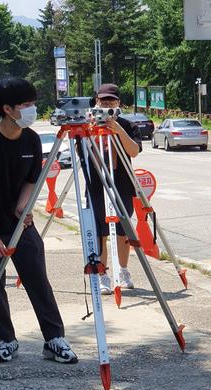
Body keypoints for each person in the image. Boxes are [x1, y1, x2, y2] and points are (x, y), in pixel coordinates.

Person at [0, 77, 78, 364]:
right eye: (25, 105)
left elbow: (30, 180)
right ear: (7, 109)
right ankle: (6, 340)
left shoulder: (31, 138)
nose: (32, 110)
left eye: (32, 104)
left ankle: (54, 338)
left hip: (19, 224)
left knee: (37, 279)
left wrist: (23, 206)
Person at [88, 83, 142, 295]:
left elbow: (134, 151)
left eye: (111, 101)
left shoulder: (128, 126)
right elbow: (83, 154)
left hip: (121, 185)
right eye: (103, 101)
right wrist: (91, 127)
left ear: (119, 103)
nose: (107, 104)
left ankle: (123, 270)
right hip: (97, 185)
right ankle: (103, 275)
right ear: (96, 102)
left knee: (122, 230)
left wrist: (117, 129)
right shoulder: (89, 125)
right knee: (100, 230)